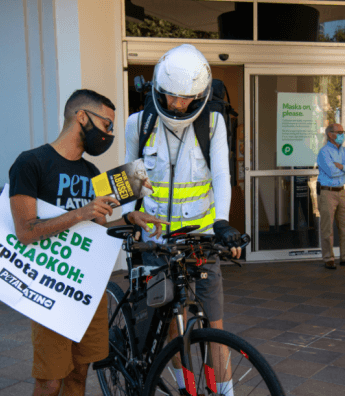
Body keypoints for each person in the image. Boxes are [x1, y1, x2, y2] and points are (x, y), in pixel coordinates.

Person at [9, 89, 168, 396]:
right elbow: (25, 231)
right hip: (51, 288)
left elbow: (96, 229)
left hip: (87, 288)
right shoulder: (31, 163)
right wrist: (78, 213)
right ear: (81, 116)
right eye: (106, 125)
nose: (108, 134)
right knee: (50, 380)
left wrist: (128, 220)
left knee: (80, 373)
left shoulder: (92, 173)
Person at [123, 44, 242, 396]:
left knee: (214, 324)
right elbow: (129, 180)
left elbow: (221, 175)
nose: (177, 105)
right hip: (157, 243)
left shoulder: (213, 123)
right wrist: (127, 212)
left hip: (201, 241)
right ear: (159, 90)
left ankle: (226, 394)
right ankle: (185, 389)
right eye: (171, 97)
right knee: (174, 327)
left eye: (186, 98)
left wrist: (222, 222)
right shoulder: (139, 123)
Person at [317, 123, 345, 270]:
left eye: (343, 131)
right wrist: (344, 169)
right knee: (327, 228)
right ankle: (328, 258)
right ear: (330, 134)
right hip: (327, 192)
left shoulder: (344, 151)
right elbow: (331, 172)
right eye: (340, 132)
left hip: (341, 191)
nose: (343, 134)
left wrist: (342, 166)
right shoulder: (324, 152)